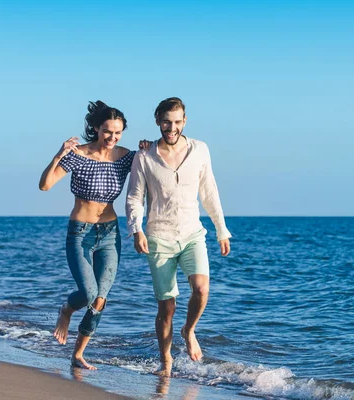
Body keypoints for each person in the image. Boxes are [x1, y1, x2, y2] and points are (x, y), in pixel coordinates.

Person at [126, 97, 231, 377]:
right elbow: (135, 197)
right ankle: (166, 362)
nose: (171, 128)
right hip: (159, 237)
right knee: (167, 305)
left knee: (201, 289)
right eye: (166, 122)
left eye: (176, 122)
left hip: (192, 233)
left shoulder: (200, 150)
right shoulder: (144, 156)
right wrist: (136, 229)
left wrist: (221, 230)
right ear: (158, 120)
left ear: (184, 122)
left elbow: (209, 191)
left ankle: (189, 330)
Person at [39, 101, 135, 370]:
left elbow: (149, 172)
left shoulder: (127, 157)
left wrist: (148, 149)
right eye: (107, 132)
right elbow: (44, 186)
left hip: (109, 233)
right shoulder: (78, 154)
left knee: (101, 299)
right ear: (96, 128)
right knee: (89, 292)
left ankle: (78, 354)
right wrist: (59, 154)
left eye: (117, 133)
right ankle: (66, 310)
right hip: (80, 233)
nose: (112, 138)